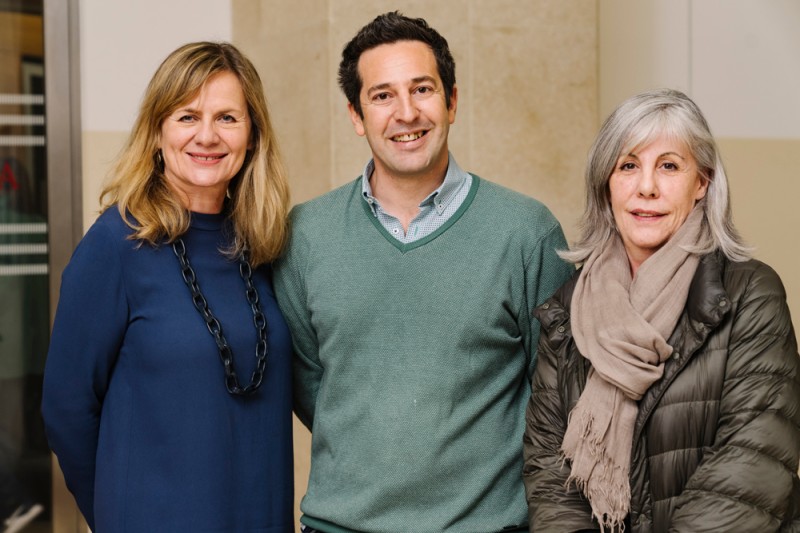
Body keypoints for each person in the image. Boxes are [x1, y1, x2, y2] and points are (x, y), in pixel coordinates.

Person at [273, 11, 574, 533]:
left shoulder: (527, 233)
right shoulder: (305, 235)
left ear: (452, 102)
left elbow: (557, 395)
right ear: (356, 115)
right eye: (382, 95)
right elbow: (314, 389)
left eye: (422, 89)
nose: (406, 112)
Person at [41, 42, 294, 532]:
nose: (207, 136)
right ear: (157, 132)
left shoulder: (263, 245)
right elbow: (66, 409)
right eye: (186, 117)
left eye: (227, 118)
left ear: (252, 135)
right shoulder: (115, 245)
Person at [522, 88, 800, 532]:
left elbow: (752, 464)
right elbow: (552, 476)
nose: (646, 187)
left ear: (702, 183)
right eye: (628, 166)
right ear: (606, 183)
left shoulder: (750, 293)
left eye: (669, 166)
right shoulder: (567, 309)